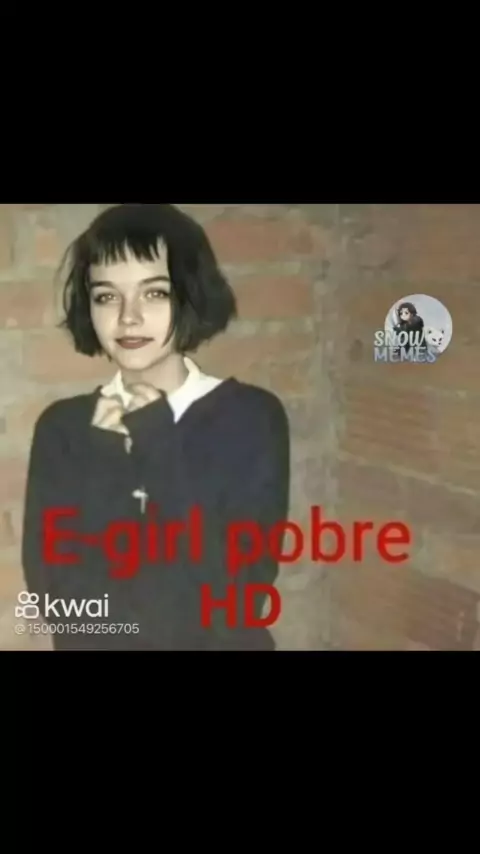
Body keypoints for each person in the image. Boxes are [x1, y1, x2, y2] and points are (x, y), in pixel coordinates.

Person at [21, 203, 290, 650]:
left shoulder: (250, 417)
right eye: (107, 296)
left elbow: (238, 596)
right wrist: (107, 467)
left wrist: (159, 446)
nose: (128, 316)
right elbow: (58, 603)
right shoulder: (64, 428)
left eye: (154, 293)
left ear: (191, 295)